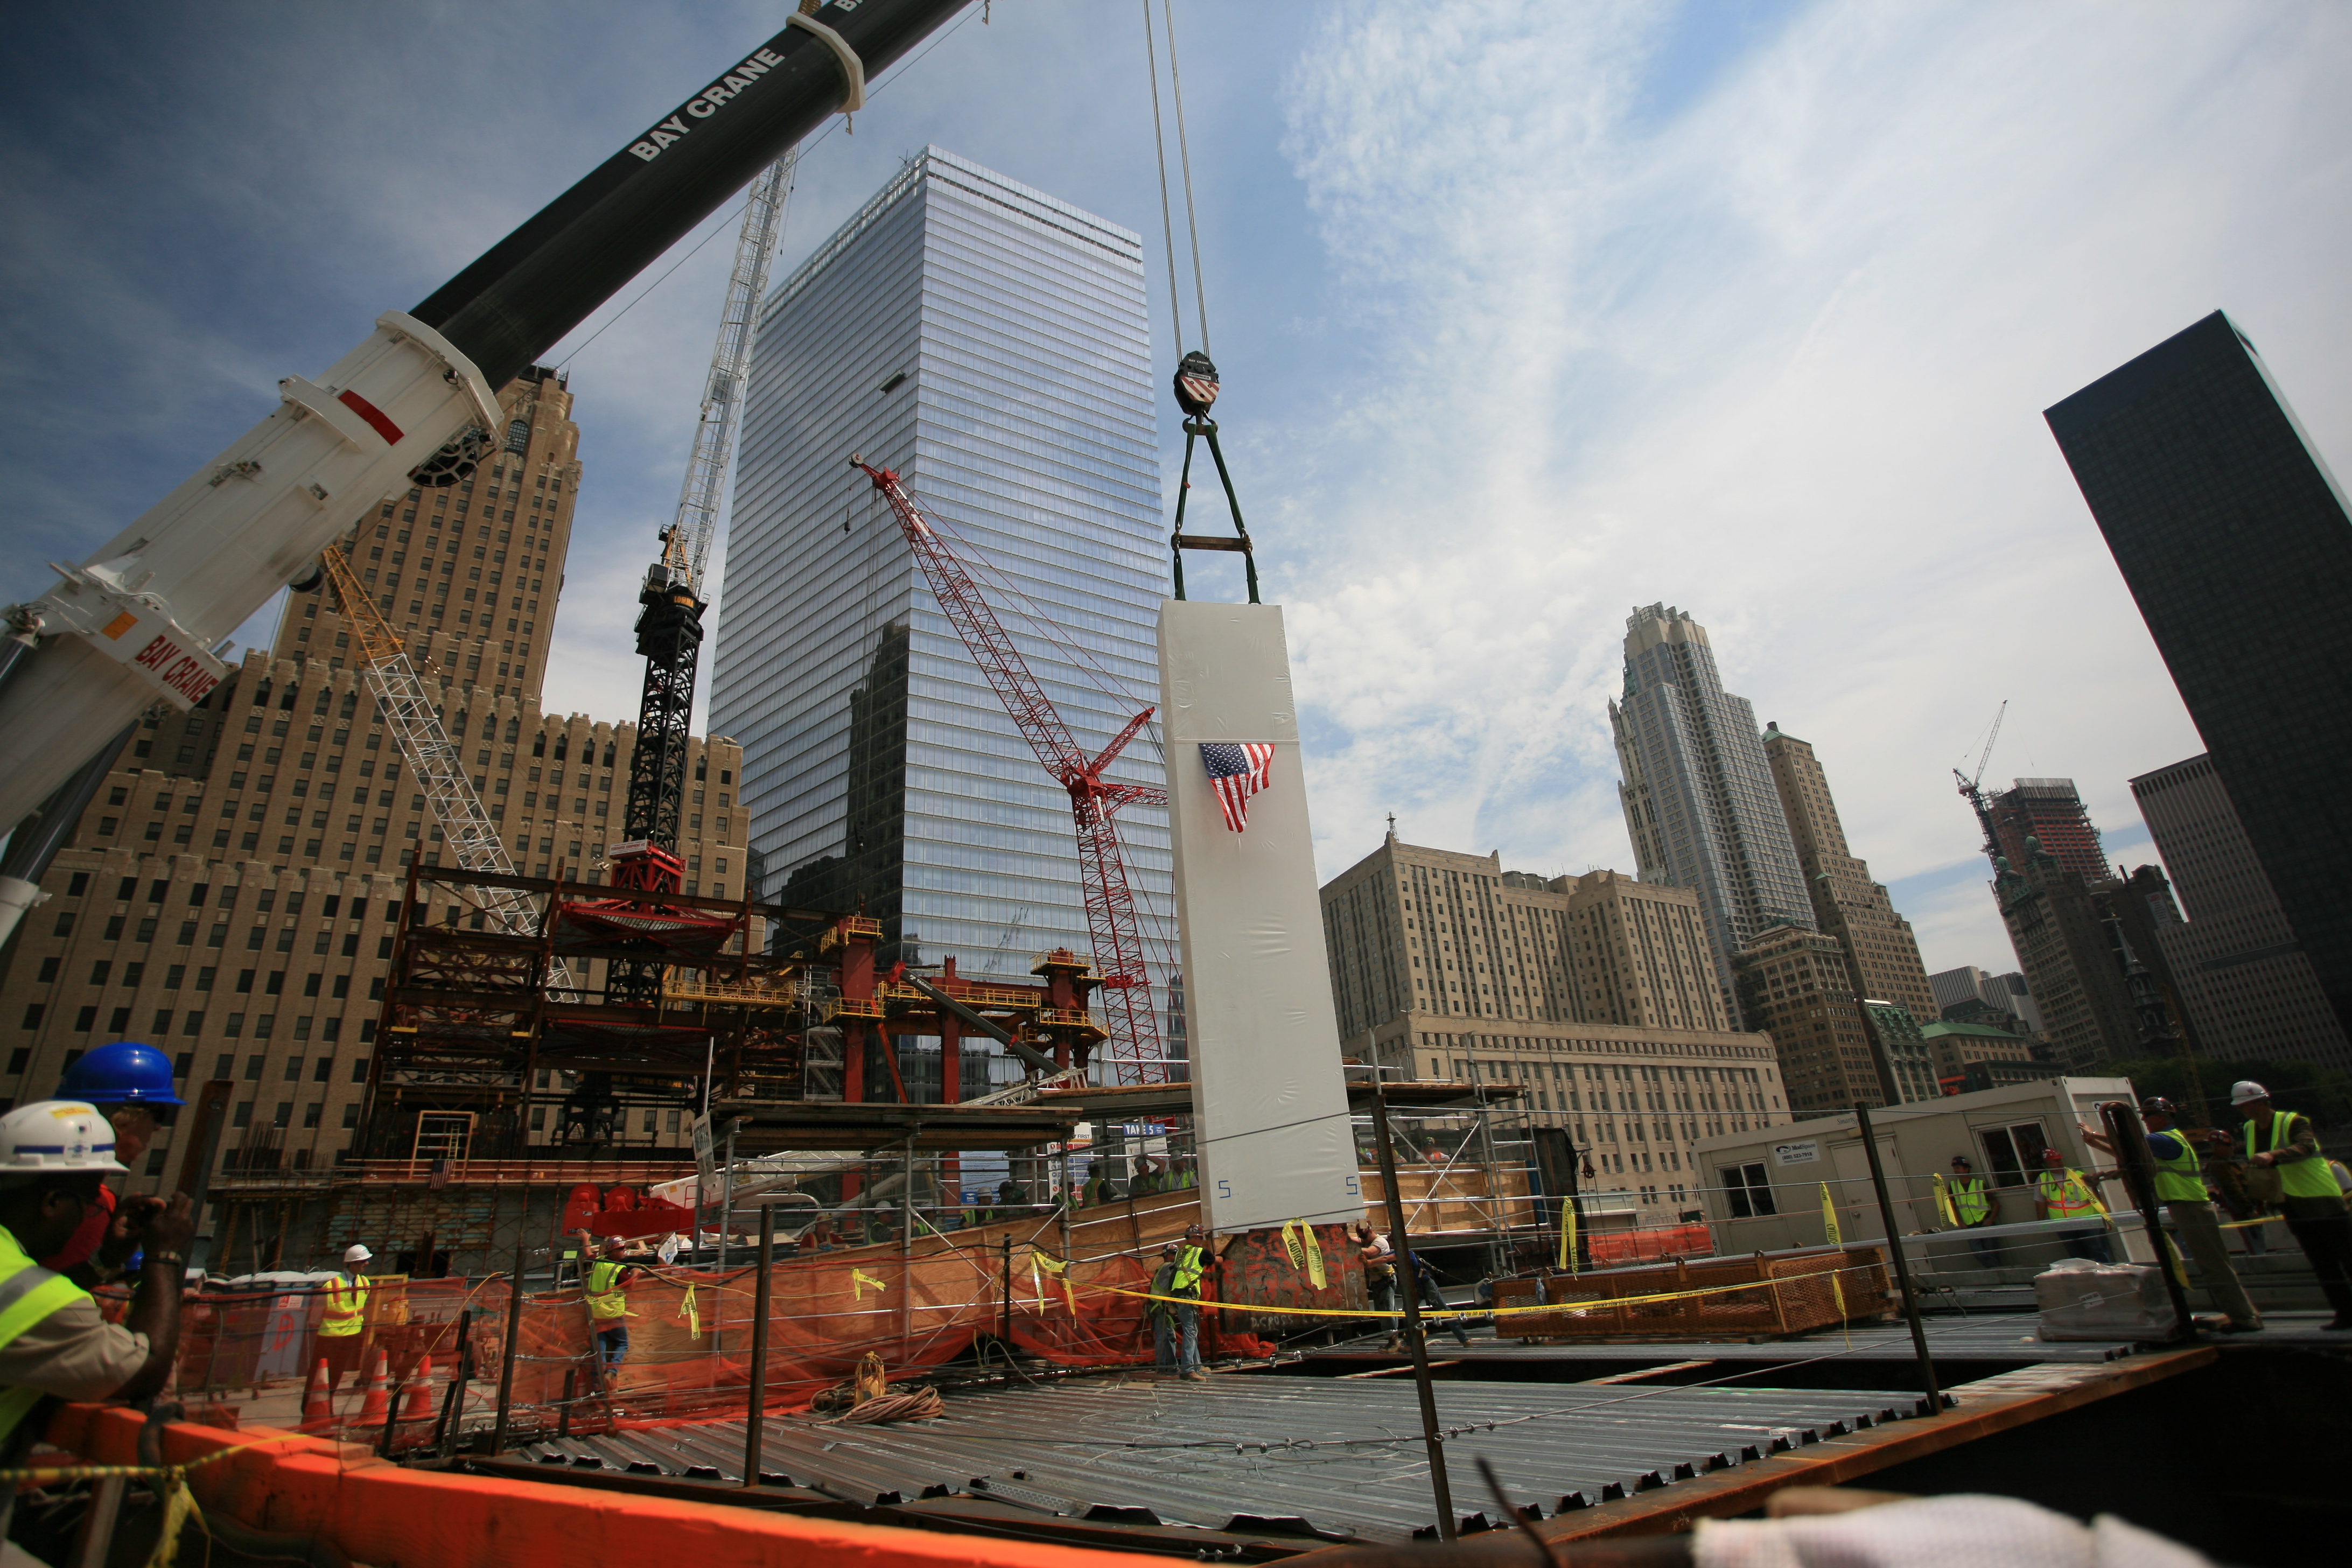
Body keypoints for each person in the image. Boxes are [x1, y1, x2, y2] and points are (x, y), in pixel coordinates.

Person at [0, 1102, 194, 1494]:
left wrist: (103, 1260)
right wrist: (165, 1256)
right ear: (53, 1202)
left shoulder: (18, 1279)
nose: (95, 1216)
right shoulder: (40, 1301)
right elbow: (143, 1368)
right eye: (92, 1203)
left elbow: (27, 1298)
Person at [2081, 1097, 2260, 1333]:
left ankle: (2244, 1318)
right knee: (2211, 1264)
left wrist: (2094, 1135)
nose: (2144, 1121)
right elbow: (2130, 1155)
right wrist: (2094, 1140)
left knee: (2214, 1266)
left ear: (2161, 1116)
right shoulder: (2164, 1141)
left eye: (2147, 1117)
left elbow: (2132, 1145)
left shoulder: (2163, 1140)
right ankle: (2238, 1314)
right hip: (2185, 1207)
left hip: (2191, 1207)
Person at [42, 1041, 185, 1278]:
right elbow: (54, 1296)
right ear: (122, 1119)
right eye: (158, 1113)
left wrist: (107, 1258)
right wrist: (164, 1256)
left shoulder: (41, 1181)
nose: (159, 1127)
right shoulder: (82, 1200)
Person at [2233, 1080, 2352, 1329]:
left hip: (2321, 1199)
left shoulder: (2293, 1122)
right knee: (2322, 1263)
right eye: (2242, 1107)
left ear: (2261, 1102)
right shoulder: (2249, 1129)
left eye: (2247, 1105)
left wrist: (2273, 1155)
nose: (2244, 1111)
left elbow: (2306, 1147)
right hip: (2292, 1204)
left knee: (2348, 1256)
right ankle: (2346, 1314)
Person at [2035, 1146, 2111, 1263]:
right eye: (2056, 1160)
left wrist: (2105, 1214)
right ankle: (2085, 1277)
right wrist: (2041, 1223)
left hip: (2087, 1221)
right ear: (2048, 1163)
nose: (2060, 1162)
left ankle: (2106, 1274)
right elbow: (2040, 1202)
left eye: (2060, 1159)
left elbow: (2094, 1191)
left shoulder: (2077, 1175)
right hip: (2062, 1224)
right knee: (2077, 1255)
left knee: (2097, 1250)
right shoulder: (2043, 1179)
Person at [319, 1242, 376, 1392]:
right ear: (353, 1263)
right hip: (330, 1338)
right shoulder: (332, 1285)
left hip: (351, 1336)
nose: (367, 1264)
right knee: (322, 1377)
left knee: (337, 1375)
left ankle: (328, 1406)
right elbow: (317, 1313)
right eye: (363, 1261)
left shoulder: (365, 1282)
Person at [583, 1234, 638, 1389]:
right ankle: (612, 1371)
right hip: (613, 1315)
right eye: (621, 1249)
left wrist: (585, 1239)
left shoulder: (597, 1262)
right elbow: (630, 1286)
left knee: (600, 1349)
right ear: (612, 1252)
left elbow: (588, 1254)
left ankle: (597, 1384)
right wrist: (635, 1273)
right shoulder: (619, 1269)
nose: (624, 1251)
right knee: (622, 1343)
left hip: (596, 1314)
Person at [1167, 1223, 1210, 1380]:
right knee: (1190, 1332)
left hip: (1178, 1295)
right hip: (1187, 1295)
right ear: (1194, 1238)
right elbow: (1214, 1260)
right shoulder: (1200, 1252)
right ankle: (1188, 1369)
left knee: (1191, 1331)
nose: (1201, 1241)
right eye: (1200, 1238)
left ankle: (1197, 1365)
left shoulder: (1180, 1253)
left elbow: (1175, 1274)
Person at [1409, 1248, 1472, 1347]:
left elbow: (1385, 1258)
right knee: (1407, 1312)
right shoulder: (1397, 1253)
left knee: (1445, 1311)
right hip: (1416, 1287)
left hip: (1426, 1284)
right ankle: (1410, 1343)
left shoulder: (1404, 1252)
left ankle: (1464, 1340)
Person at [1948, 1156, 2002, 1268]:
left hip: (1985, 1223)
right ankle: (2002, 1272)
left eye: (1958, 1168)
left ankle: (2001, 1276)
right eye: (1955, 1168)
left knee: (1992, 1252)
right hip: (1969, 1226)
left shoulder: (1979, 1184)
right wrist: (1959, 1222)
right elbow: (1951, 1207)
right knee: (1979, 1253)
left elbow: (1996, 1204)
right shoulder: (1953, 1186)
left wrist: (1990, 1220)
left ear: (1966, 1169)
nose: (1956, 1170)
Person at [1355, 1224, 1402, 1350]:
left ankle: (1394, 1341)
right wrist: (1344, 1237)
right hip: (1377, 1282)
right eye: (1362, 1237)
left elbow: (1370, 1252)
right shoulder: (1367, 1242)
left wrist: (1353, 1249)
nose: (1363, 1240)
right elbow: (1356, 1241)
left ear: (1370, 1231)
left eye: (1365, 1236)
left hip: (1387, 1280)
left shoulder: (1380, 1242)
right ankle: (1390, 1339)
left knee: (1388, 1309)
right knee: (1381, 1313)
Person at [1146, 1243, 1181, 1371]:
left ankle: (1170, 1366)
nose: (1175, 1257)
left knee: (1169, 1337)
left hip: (1161, 1308)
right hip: (1160, 1308)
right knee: (1164, 1338)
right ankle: (1162, 1367)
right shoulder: (1169, 1267)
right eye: (1174, 1254)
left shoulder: (1162, 1268)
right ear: (1167, 1255)